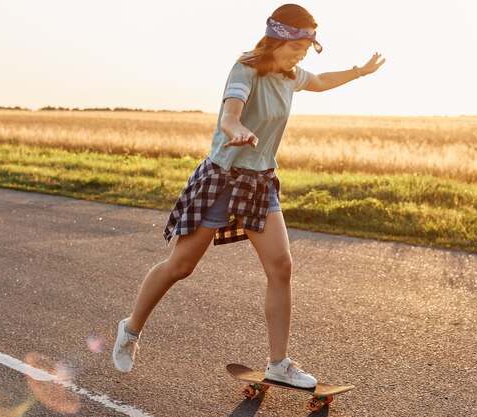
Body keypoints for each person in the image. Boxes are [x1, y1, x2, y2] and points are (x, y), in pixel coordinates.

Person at [113, 3, 385, 388]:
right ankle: (131, 329)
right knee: (181, 266)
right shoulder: (245, 70)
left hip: (260, 182)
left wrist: (360, 72)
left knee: (281, 267)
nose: (300, 56)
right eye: (296, 48)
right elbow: (228, 114)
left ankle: (279, 363)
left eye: (305, 51)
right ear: (277, 39)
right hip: (223, 180)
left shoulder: (290, 77)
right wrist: (235, 128)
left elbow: (321, 81)